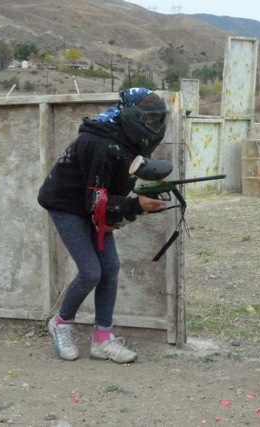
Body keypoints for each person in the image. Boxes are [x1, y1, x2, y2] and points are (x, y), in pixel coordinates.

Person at [38, 87, 169, 363]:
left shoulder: (127, 139)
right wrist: (135, 206)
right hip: (66, 205)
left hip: (90, 204)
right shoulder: (100, 144)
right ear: (133, 117)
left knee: (109, 268)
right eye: (150, 120)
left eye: (158, 120)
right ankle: (60, 324)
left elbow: (111, 191)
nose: (154, 127)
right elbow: (96, 201)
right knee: (90, 272)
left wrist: (130, 207)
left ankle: (101, 341)